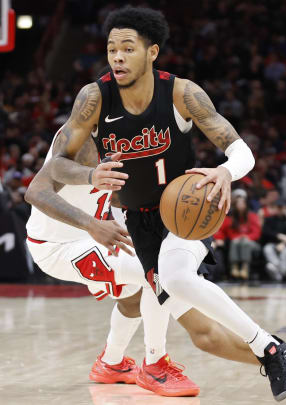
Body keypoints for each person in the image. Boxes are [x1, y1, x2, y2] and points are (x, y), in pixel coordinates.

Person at [46, 7, 286, 403]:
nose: (118, 57)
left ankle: (271, 350)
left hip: (185, 211)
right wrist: (91, 176)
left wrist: (227, 172)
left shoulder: (181, 93)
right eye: (112, 49)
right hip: (135, 223)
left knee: (176, 277)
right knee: (204, 335)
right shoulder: (94, 98)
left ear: (152, 52)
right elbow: (55, 164)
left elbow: (240, 150)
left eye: (128, 48)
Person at [26, 128, 264, 397]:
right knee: (155, 272)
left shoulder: (130, 135)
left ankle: (111, 362)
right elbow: (35, 192)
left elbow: (117, 194)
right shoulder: (79, 138)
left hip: (90, 232)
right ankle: (155, 364)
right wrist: (91, 223)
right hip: (58, 244)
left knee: (133, 292)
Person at [213, 189, 261, 281]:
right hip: (237, 241)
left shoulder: (252, 216)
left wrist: (247, 237)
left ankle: (244, 267)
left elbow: (257, 233)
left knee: (245, 243)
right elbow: (229, 232)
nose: (240, 205)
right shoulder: (232, 218)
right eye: (238, 203)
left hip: (252, 243)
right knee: (235, 242)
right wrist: (238, 237)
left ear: (246, 204)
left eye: (242, 203)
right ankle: (234, 267)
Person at [261, 198, 286, 282]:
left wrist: (283, 244)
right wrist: (279, 236)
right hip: (272, 244)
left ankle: (279, 273)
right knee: (267, 249)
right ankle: (278, 269)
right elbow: (266, 233)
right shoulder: (269, 220)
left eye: (282, 207)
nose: (280, 210)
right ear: (275, 208)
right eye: (278, 207)